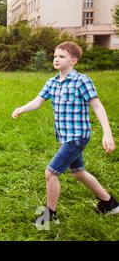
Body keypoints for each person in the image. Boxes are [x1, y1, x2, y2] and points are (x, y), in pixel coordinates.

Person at [12, 41, 118, 228]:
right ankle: (110, 203)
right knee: (78, 173)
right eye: (55, 56)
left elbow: (97, 106)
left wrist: (107, 134)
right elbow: (37, 102)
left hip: (77, 137)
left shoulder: (81, 81)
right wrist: (21, 108)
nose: (56, 59)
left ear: (74, 60)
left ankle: (48, 216)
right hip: (65, 137)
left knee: (50, 173)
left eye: (62, 56)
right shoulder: (52, 83)